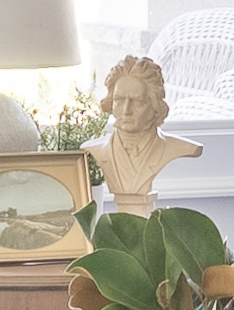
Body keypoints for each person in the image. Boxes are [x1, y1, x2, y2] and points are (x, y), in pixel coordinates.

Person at [83, 55, 202, 216]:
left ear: (154, 104)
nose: (126, 110)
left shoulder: (176, 148)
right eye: (119, 100)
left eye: (137, 101)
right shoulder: (95, 150)